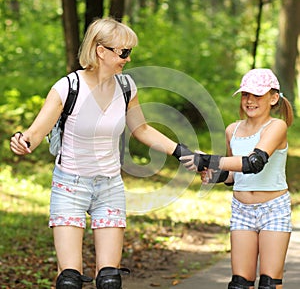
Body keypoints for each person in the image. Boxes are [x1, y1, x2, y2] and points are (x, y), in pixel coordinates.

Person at [10, 17, 192, 289]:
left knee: (109, 279)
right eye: (124, 52)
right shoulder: (68, 87)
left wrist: (181, 151)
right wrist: (22, 142)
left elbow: (141, 129)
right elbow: (35, 133)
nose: (128, 59)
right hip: (70, 185)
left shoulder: (126, 87)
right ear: (100, 50)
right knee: (69, 280)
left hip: (109, 186)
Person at [181, 68, 294, 289]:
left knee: (269, 283)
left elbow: (254, 163)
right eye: (245, 95)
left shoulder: (276, 126)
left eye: (257, 95)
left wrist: (208, 160)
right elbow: (234, 175)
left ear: (273, 98)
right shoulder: (232, 130)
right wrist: (213, 174)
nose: (250, 101)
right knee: (239, 283)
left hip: (273, 209)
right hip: (242, 210)